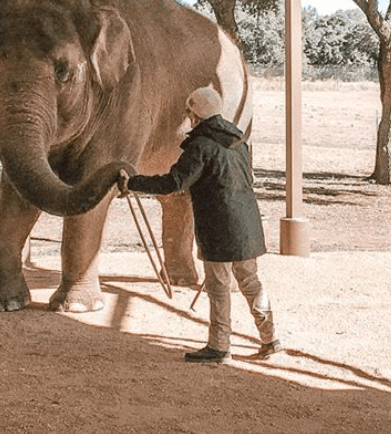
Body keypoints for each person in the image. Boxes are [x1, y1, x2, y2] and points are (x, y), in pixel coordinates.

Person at [118, 86, 281, 364]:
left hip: (220, 226)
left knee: (218, 288)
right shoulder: (238, 140)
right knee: (251, 282)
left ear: (196, 114)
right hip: (247, 223)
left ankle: (219, 347)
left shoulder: (201, 146)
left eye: (189, 111)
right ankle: (270, 339)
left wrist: (133, 182)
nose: (188, 116)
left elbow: (174, 182)